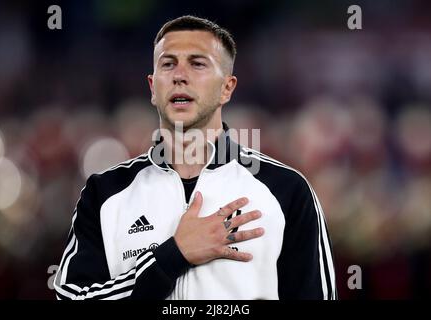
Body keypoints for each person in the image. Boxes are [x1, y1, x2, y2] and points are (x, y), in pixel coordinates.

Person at [53, 15, 337, 300]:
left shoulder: (287, 191)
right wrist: (171, 256)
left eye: (198, 63)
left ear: (227, 87)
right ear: (153, 88)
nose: (179, 75)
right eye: (168, 63)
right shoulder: (104, 194)